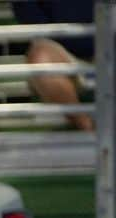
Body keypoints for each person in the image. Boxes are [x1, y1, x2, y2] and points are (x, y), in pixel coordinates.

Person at [12, 0, 98, 132]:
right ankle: (88, 129)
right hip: (63, 52)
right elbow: (32, 20)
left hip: (109, 46)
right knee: (41, 59)